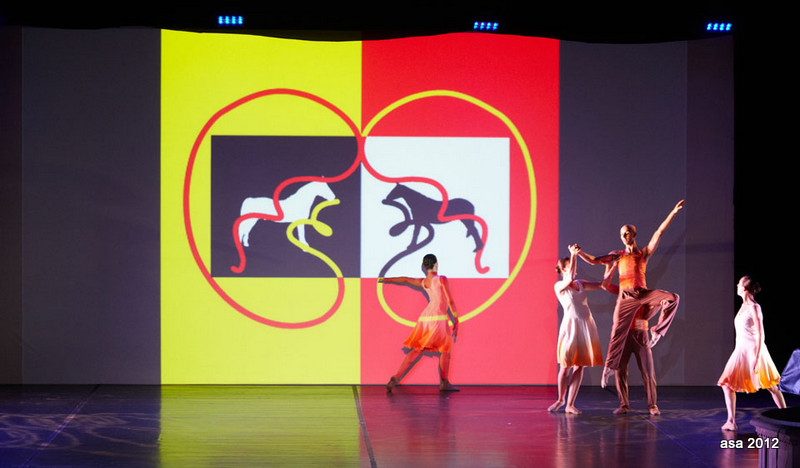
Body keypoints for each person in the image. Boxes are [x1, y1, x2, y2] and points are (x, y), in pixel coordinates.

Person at [578, 200, 684, 415]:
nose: (624, 236)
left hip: (642, 305)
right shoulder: (618, 256)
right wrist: (579, 253)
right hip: (626, 300)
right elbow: (594, 261)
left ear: (634, 234)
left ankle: (652, 403)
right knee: (619, 357)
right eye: (622, 234)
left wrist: (672, 213)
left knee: (672, 298)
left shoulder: (642, 254)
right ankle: (621, 397)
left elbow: (658, 233)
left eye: (627, 233)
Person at [548, 244, 616, 414]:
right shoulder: (559, 286)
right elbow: (569, 278)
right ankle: (560, 399)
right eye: (570, 266)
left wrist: (610, 266)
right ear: (563, 269)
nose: (574, 268)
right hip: (571, 327)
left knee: (580, 366)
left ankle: (570, 404)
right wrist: (573, 255)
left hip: (585, 325)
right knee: (566, 365)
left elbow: (603, 285)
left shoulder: (579, 284)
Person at [382, 253, 460, 392]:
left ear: (425, 266)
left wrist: (388, 279)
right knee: (445, 351)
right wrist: (456, 319)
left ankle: (396, 377)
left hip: (425, 318)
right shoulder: (441, 279)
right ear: (436, 264)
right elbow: (450, 301)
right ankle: (444, 383)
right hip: (438, 318)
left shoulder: (423, 282)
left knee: (418, 349)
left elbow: (406, 279)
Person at [718, 276, 786, 431]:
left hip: (754, 351)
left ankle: (784, 414)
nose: (736, 285)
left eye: (739, 283)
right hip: (740, 351)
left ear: (744, 288)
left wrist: (757, 357)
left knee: (771, 386)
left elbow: (761, 334)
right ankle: (731, 421)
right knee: (726, 384)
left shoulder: (755, 307)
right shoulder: (743, 306)